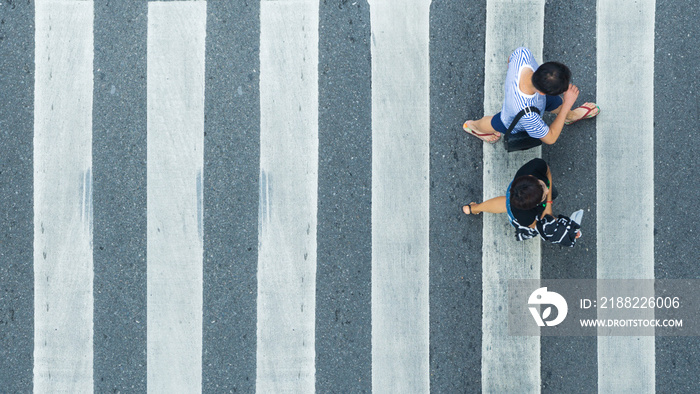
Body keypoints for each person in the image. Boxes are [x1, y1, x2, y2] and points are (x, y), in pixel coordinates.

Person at [463, 47, 599, 145]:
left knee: (556, 103)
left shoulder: (523, 54)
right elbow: (550, 138)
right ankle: (474, 126)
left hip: (534, 99)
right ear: (542, 92)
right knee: (496, 122)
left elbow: (510, 59)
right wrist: (567, 104)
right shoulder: (528, 116)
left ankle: (570, 117)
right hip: (515, 116)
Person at [463, 158, 556, 229]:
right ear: (532, 206)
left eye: (542, 185)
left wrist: (548, 204)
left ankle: (475, 208)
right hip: (518, 206)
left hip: (517, 188)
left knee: (506, 202)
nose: (548, 191)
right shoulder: (524, 217)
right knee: (507, 204)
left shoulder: (536, 165)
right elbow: (533, 225)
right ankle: (475, 208)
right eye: (543, 196)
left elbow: (547, 171)